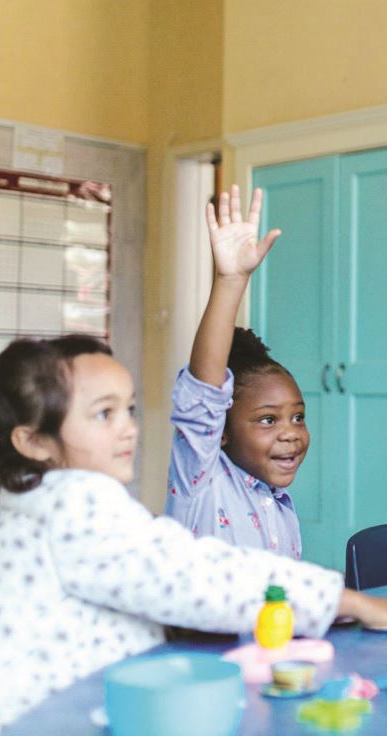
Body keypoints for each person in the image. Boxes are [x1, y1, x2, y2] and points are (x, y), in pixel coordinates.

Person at [0, 336, 387, 736]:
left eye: (128, 409)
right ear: (34, 442)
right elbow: (195, 575)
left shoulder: (37, 502)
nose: (128, 427)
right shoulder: (70, 504)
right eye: (103, 414)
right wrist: (346, 600)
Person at [166, 185, 306, 558]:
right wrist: (231, 281)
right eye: (268, 420)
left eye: (297, 417)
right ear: (221, 431)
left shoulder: (279, 505)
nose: (290, 433)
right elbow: (204, 394)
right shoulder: (201, 481)